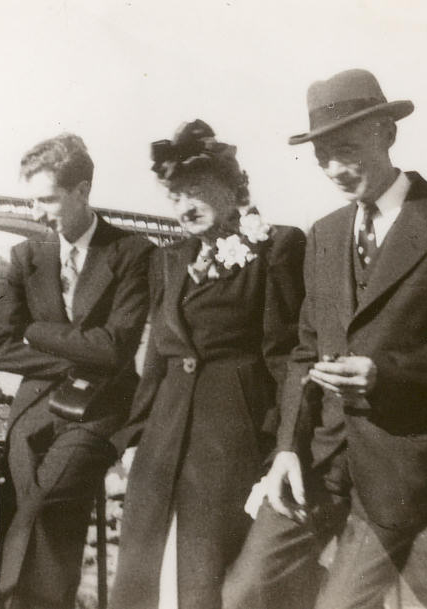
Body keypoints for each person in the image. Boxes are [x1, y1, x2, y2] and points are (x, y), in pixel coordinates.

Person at [222, 69, 427, 609]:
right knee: (244, 593)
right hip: (318, 460)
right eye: (322, 157)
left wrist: (389, 373)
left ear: (387, 133)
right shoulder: (325, 233)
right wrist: (286, 450)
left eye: (347, 150)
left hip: (402, 465)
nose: (334, 169)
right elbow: (304, 353)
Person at [109, 120, 306, 609]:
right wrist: (134, 437)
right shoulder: (169, 259)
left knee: (207, 573)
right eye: (175, 195)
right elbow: (156, 355)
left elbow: (285, 357)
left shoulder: (277, 246)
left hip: (231, 436)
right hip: (163, 438)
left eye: (195, 190)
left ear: (232, 187)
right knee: (144, 571)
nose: (184, 205)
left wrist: (284, 443)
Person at [0, 133, 154, 609]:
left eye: (48, 200)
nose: (37, 213)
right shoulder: (25, 258)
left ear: (82, 191)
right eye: (32, 200)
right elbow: (0, 348)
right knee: (22, 502)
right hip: (35, 408)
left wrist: (38, 333)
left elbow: (117, 349)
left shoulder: (132, 253)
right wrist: (80, 353)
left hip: (100, 409)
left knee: (44, 503)